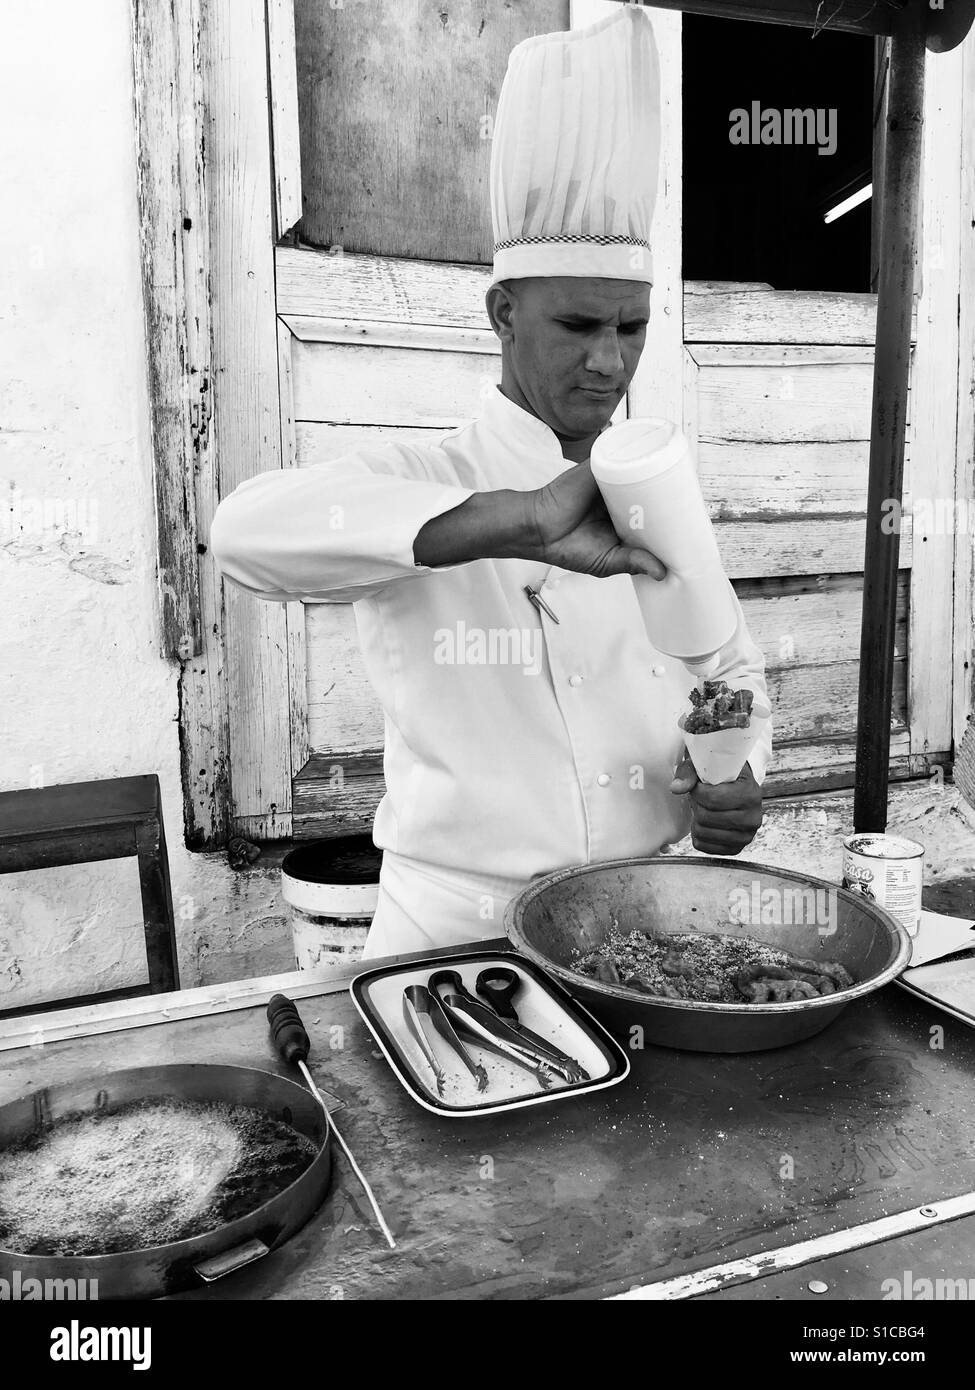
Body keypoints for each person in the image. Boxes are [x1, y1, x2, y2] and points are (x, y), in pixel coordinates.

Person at [210, 7, 772, 958]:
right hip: (456, 938)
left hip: (642, 926)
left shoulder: (656, 488)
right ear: (503, 313)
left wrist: (737, 772)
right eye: (578, 326)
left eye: (630, 329)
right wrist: (512, 522)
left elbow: (729, 668)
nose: (609, 363)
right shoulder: (426, 480)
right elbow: (241, 536)